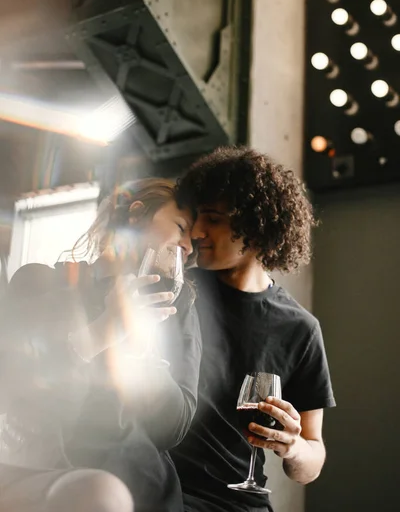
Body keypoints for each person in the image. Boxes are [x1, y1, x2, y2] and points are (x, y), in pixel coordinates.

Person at [0, 178, 201, 512]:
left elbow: (172, 428)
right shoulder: (40, 283)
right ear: (137, 214)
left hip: (147, 491)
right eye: (181, 227)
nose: (188, 246)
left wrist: (139, 348)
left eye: (193, 241)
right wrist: (102, 331)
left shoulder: (177, 311)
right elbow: (16, 394)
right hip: (51, 483)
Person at [171, 146, 336, 512]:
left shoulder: (300, 329)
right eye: (196, 216)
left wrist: (293, 446)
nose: (197, 230)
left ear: (258, 227)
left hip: (238, 504)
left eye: (212, 218)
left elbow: (312, 460)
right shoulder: (175, 290)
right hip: (163, 490)